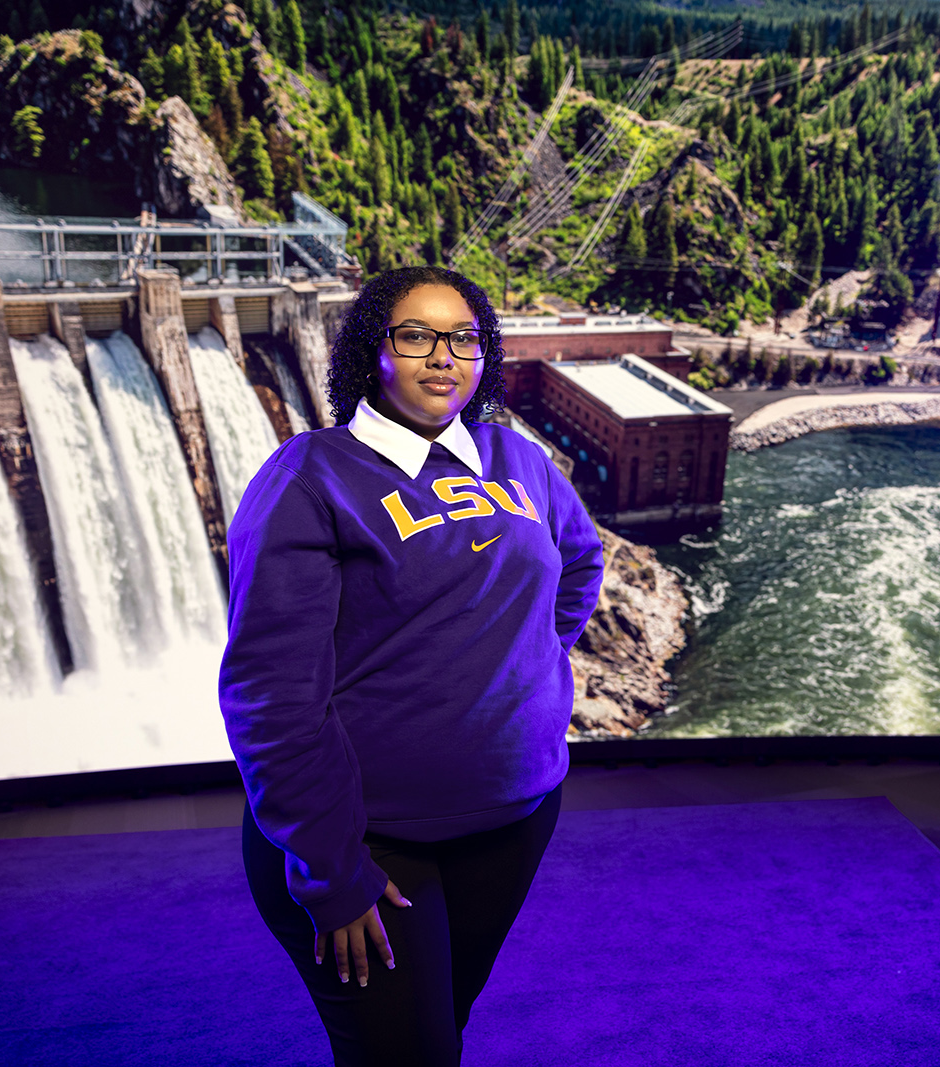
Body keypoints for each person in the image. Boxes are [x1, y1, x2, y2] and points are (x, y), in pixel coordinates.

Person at [221, 265, 605, 1066]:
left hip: (512, 822)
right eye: (416, 335)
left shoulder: (516, 456)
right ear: (373, 349)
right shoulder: (310, 475)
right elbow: (272, 695)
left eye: (464, 338)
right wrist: (331, 870)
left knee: (441, 1031)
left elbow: (579, 560)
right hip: (369, 840)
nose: (443, 356)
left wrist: (529, 664)